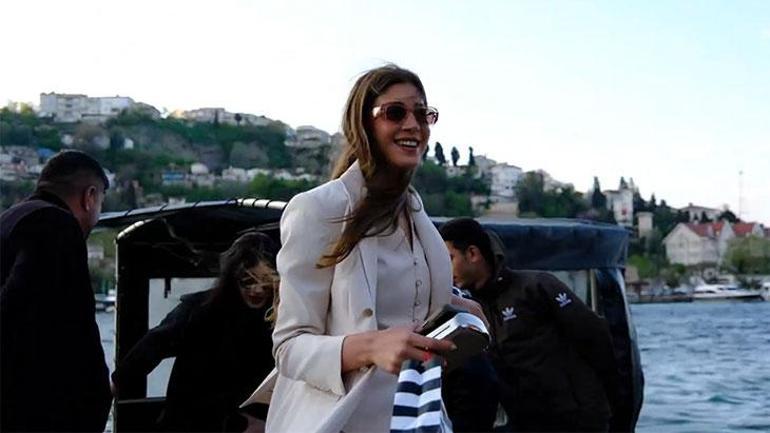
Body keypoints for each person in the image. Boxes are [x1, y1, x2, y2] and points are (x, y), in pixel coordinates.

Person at [259, 64, 485, 433]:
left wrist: (455, 306)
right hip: (340, 421)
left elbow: (401, 298)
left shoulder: (418, 217)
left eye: (422, 114)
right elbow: (289, 347)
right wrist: (370, 348)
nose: (413, 125)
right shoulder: (319, 209)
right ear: (363, 124)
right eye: (395, 113)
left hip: (417, 418)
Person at [440, 217, 621, 432]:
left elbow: (596, 337)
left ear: (472, 253)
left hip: (577, 420)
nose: (445, 270)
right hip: (525, 423)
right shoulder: (470, 311)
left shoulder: (536, 287)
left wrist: (615, 408)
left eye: (449, 258)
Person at [112, 231, 279, 432]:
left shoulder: (279, 322)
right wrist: (116, 384)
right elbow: (154, 344)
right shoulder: (199, 311)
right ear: (232, 277)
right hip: (192, 419)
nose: (257, 289)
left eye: (265, 281)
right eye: (247, 280)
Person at [0, 150, 112, 432]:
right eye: (100, 203)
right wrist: (96, 396)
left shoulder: (10, 219)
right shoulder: (57, 227)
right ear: (89, 197)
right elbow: (75, 329)